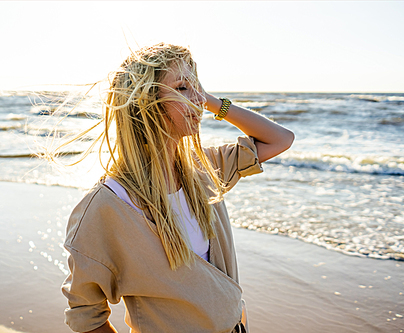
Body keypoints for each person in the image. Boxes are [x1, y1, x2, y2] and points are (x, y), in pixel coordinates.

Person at [59, 43, 294, 333]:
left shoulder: (204, 169)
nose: (196, 99)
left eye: (197, 87)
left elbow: (280, 138)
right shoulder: (108, 205)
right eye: (182, 87)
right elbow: (85, 314)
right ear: (145, 103)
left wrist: (209, 101)